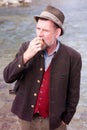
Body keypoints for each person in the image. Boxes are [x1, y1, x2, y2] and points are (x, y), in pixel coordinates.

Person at [3, 5, 82, 130]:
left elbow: (73, 93)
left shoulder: (73, 57)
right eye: (38, 28)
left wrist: (66, 120)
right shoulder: (26, 47)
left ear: (57, 32)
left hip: (54, 122)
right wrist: (26, 57)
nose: (40, 34)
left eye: (45, 30)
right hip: (26, 120)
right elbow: (7, 77)